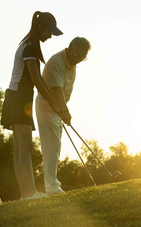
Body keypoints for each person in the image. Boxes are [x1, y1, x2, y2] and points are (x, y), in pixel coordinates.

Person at [1, 11, 62, 200]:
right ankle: (29, 193)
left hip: (17, 98)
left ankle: (24, 194)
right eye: (49, 31)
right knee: (24, 147)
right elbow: (36, 79)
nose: (50, 36)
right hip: (19, 98)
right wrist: (54, 102)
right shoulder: (29, 48)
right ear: (40, 27)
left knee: (20, 147)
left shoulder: (29, 46)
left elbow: (35, 81)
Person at [36, 37, 91, 194]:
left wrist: (62, 110)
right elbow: (57, 91)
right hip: (46, 106)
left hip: (57, 108)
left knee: (55, 146)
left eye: (84, 57)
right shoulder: (56, 62)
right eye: (80, 55)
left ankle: (52, 184)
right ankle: (52, 186)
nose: (81, 60)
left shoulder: (72, 63)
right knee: (52, 147)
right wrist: (65, 112)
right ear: (72, 49)